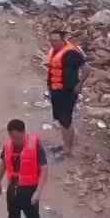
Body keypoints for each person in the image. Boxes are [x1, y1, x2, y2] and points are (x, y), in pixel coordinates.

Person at [0, 118, 51, 218]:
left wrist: (38, 192)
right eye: (12, 137)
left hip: (29, 190)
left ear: (23, 133)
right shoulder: (8, 146)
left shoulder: (35, 146)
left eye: (17, 137)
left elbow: (44, 170)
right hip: (13, 189)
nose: (15, 140)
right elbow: (3, 163)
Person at [46, 28, 85, 158]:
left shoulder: (72, 53)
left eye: (56, 41)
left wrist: (80, 85)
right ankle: (64, 145)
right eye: (51, 41)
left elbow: (87, 69)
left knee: (66, 121)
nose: (53, 43)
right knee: (61, 121)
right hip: (56, 91)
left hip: (68, 92)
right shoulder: (54, 52)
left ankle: (69, 150)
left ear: (63, 40)